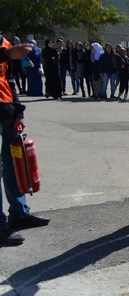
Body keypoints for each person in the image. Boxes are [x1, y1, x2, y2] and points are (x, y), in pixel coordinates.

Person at [0, 34, 50, 245]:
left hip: (6, 110)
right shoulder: (6, 49)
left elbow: (10, 78)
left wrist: (18, 109)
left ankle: (19, 214)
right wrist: (6, 54)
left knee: (14, 164)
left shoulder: (4, 42)